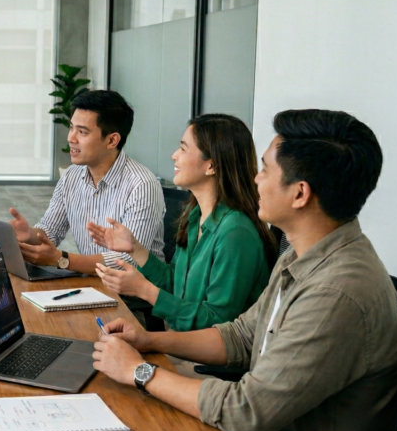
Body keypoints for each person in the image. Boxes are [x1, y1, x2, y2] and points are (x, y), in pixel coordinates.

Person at [92, 109, 397, 431]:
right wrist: (148, 341)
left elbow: (247, 411)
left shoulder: (336, 293)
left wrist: (140, 370)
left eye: (266, 170)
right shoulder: (302, 255)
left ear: (300, 194)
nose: (255, 179)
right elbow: (242, 336)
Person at [87, 114, 276, 331]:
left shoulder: (236, 232)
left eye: (184, 148)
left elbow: (218, 325)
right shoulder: (195, 215)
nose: (174, 156)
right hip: (182, 344)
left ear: (212, 165)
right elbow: (178, 284)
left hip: (206, 360)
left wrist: (144, 291)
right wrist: (135, 249)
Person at [10, 90, 165, 275]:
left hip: (135, 295)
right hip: (92, 283)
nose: (71, 138)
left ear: (112, 140)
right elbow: (50, 232)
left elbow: (129, 261)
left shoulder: (142, 185)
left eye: (82, 131)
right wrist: (29, 234)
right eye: (71, 127)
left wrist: (62, 260)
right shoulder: (71, 176)